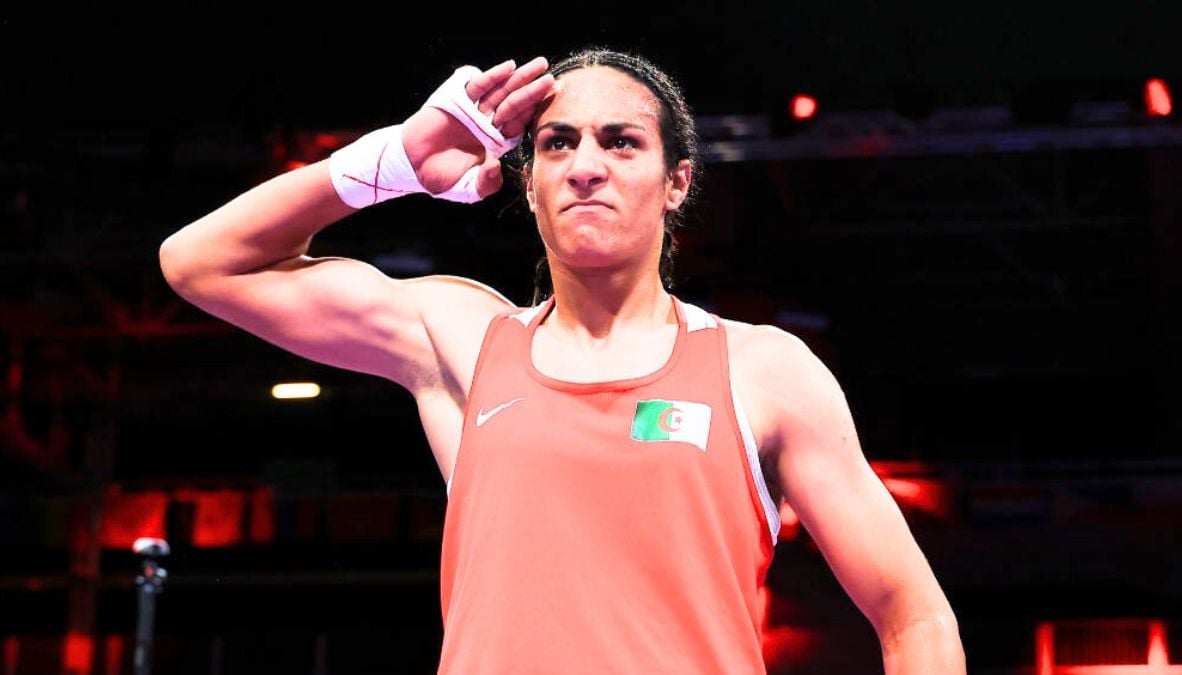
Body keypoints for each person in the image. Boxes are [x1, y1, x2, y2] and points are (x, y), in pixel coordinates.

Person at [159, 48, 966, 674]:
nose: (587, 165)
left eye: (621, 142)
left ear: (676, 180)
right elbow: (201, 265)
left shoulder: (762, 372)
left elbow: (915, 614)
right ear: (530, 181)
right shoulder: (466, 341)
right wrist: (395, 161)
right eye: (557, 144)